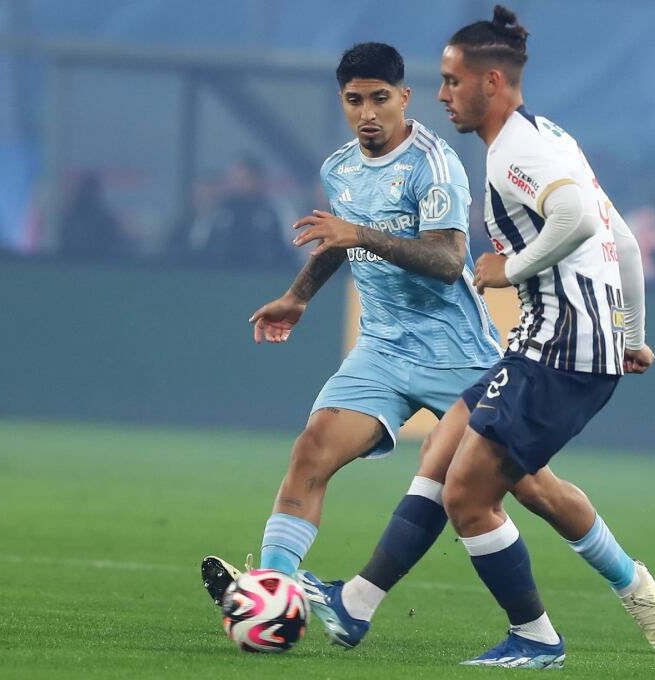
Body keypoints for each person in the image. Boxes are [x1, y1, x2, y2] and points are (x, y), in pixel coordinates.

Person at [200, 40, 505, 611]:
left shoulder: (435, 164)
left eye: (379, 99)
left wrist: (359, 234)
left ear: (404, 97)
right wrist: (298, 297)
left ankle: (624, 579)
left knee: (527, 491)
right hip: (382, 353)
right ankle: (273, 595)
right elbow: (338, 241)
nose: (367, 113)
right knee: (311, 453)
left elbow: (446, 263)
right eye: (353, 100)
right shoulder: (338, 168)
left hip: (457, 354)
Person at [433, 6, 655, 667]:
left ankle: (536, 639)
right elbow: (622, 242)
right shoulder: (553, 138)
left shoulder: (515, 151)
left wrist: (506, 269)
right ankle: (633, 585)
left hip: (559, 348)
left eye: (451, 80)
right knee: (525, 481)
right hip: (576, 347)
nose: (441, 94)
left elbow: (573, 218)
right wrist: (632, 336)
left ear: (491, 81)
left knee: (464, 494)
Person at [187, 157, 297, 267]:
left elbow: (292, 244)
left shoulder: (276, 209)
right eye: (235, 178)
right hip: (219, 277)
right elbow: (198, 245)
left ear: (257, 179)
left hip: (266, 277)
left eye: (244, 178)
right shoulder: (217, 210)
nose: (239, 183)